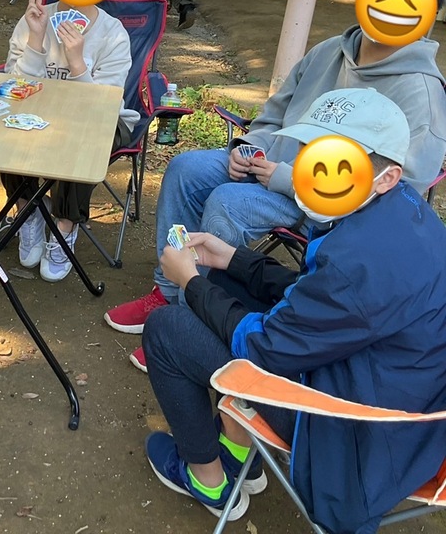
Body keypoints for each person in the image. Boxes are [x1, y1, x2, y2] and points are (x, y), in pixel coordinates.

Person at [106, 0, 446, 371]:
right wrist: (248, 148)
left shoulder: (422, 92)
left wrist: (286, 178)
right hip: (270, 164)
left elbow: (401, 188)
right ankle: (167, 289)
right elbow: (276, 114)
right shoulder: (329, 52)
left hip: (328, 203)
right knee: (185, 169)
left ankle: (192, 315)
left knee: (228, 202)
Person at [141, 88, 446, 534]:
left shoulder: (358, 261)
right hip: (387, 389)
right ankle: (240, 455)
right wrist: (233, 259)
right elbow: (324, 300)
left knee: (167, 329)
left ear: (386, 176)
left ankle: (208, 480)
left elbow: (264, 347)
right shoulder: (402, 209)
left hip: (356, 435)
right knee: (226, 283)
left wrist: (190, 282)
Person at [0, 0, 138, 282]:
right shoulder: (34, 19)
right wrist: (36, 41)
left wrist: (77, 62)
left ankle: (64, 226)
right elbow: (15, 88)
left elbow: (103, 105)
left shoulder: (112, 33)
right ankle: (28, 211)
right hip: (39, 111)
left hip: (101, 119)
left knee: (84, 137)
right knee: (9, 125)